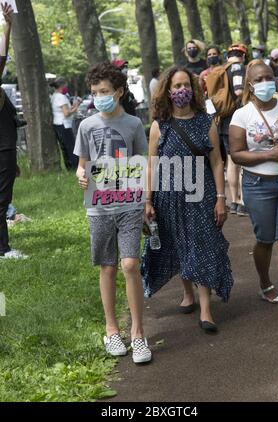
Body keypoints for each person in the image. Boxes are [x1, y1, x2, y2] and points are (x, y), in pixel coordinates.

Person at [141, 66, 233, 333]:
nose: (181, 90)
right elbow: (151, 165)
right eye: (176, 86)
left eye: (185, 86)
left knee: (201, 244)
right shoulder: (160, 125)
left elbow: (217, 162)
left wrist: (221, 198)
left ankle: (206, 309)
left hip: (200, 195)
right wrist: (148, 200)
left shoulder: (206, 123)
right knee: (177, 244)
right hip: (168, 197)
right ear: (167, 92)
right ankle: (188, 294)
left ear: (193, 90)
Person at [74, 62, 152, 363]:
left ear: (119, 92)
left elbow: (142, 163)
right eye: (94, 92)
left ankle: (138, 334)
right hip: (99, 207)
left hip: (130, 203)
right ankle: (111, 329)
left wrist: (146, 200)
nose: (99, 96)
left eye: (104, 91)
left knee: (130, 264)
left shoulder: (133, 124)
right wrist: (81, 174)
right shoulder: (86, 125)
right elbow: (82, 163)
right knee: (107, 266)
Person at [229, 60, 278, 320]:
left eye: (268, 77)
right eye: (258, 80)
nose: (264, 83)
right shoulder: (242, 115)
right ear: (250, 85)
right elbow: (236, 154)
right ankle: (265, 283)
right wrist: (269, 154)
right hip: (258, 185)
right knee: (265, 240)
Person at [0, 2, 27, 259]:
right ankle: (3, 249)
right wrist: (7, 27)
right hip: (2, 148)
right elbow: (1, 56)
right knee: (1, 198)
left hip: (5, 149)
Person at [208, 43, 248, 216]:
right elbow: (239, 91)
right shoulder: (238, 68)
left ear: (226, 56)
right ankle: (243, 202)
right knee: (243, 160)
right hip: (237, 120)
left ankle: (234, 201)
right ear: (243, 56)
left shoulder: (220, 70)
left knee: (232, 161)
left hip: (223, 122)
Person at [50, 77, 80, 170]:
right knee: (71, 147)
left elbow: (65, 110)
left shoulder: (54, 96)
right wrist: (76, 107)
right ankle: (75, 166)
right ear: (62, 86)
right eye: (66, 85)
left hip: (58, 124)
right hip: (64, 124)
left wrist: (74, 106)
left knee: (65, 147)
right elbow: (66, 113)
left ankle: (69, 167)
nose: (67, 87)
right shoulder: (61, 97)